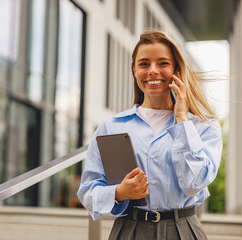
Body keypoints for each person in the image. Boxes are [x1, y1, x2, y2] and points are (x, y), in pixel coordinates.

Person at [77, 29, 223, 239]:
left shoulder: (203, 127)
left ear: (176, 71)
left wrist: (182, 120)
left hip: (183, 230)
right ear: (134, 70)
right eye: (144, 64)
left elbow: (195, 184)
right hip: (129, 230)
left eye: (163, 63)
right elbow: (87, 192)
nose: (153, 71)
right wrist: (119, 193)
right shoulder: (111, 127)